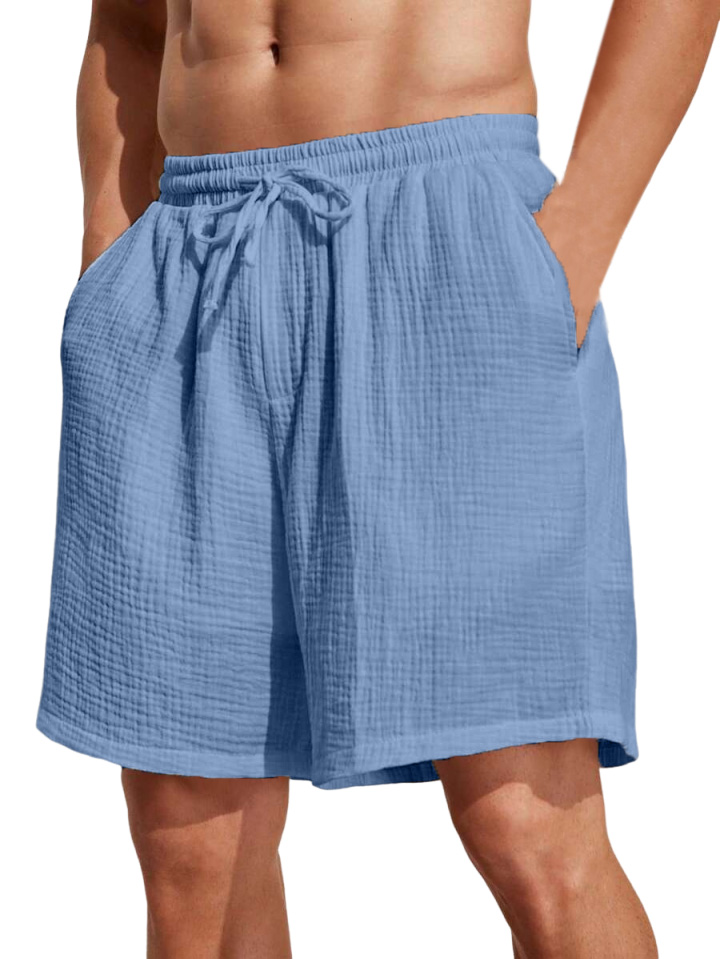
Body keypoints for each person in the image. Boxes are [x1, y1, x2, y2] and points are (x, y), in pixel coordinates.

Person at [37, 0, 717, 955]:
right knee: (191, 843)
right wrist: (109, 265)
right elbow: (130, 23)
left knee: (523, 811)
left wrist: (569, 252)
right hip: (191, 256)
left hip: (444, 239)